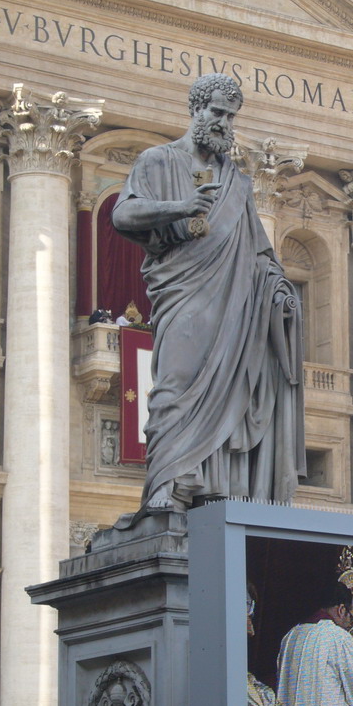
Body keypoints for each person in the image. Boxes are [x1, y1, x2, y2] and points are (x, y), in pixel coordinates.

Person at [111, 72, 304, 517]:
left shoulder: (235, 179)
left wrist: (279, 293)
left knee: (231, 386)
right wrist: (181, 207)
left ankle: (208, 485)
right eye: (217, 112)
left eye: (230, 116)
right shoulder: (157, 161)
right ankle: (164, 483)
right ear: (195, 109)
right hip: (184, 291)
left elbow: (258, 249)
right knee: (174, 385)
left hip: (233, 300)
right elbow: (124, 215)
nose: (223, 122)